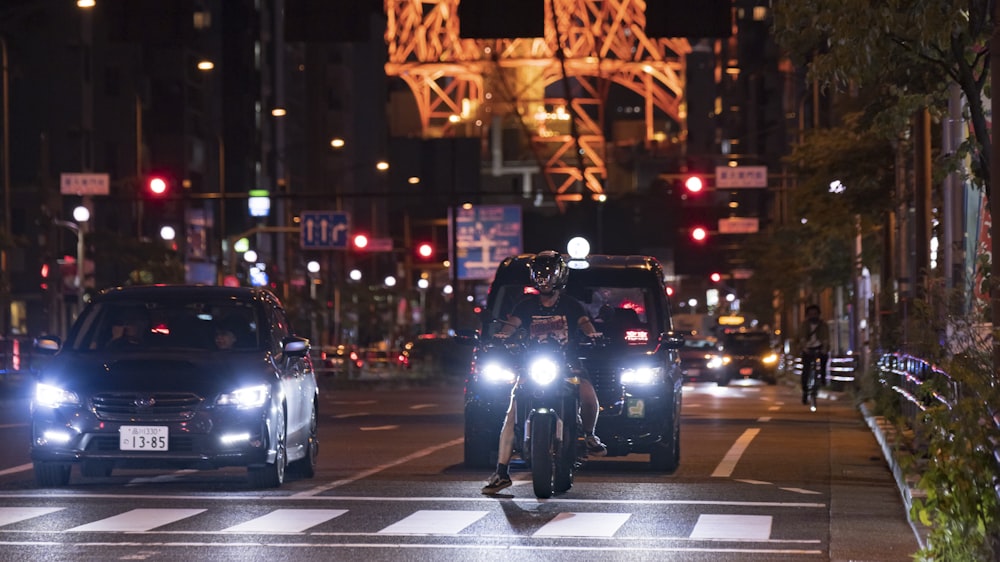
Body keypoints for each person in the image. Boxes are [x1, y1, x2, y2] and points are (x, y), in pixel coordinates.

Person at [481, 250, 606, 495]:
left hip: (567, 364)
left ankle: (590, 435)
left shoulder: (571, 304)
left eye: (548, 274)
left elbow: (584, 323)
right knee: (512, 412)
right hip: (532, 365)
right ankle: (501, 471)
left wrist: (593, 335)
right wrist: (501, 337)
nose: (544, 279)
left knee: (589, 396)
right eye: (539, 274)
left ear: (560, 276)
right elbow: (511, 326)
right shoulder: (525, 305)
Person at [797, 304, 830, 404]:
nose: (813, 316)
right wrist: (804, 347)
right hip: (807, 347)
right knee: (806, 370)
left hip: (819, 346)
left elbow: (826, 338)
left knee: (824, 358)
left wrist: (825, 348)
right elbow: (802, 337)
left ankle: (823, 377)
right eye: (811, 314)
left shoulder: (823, 325)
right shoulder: (804, 325)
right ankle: (805, 391)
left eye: (815, 314)